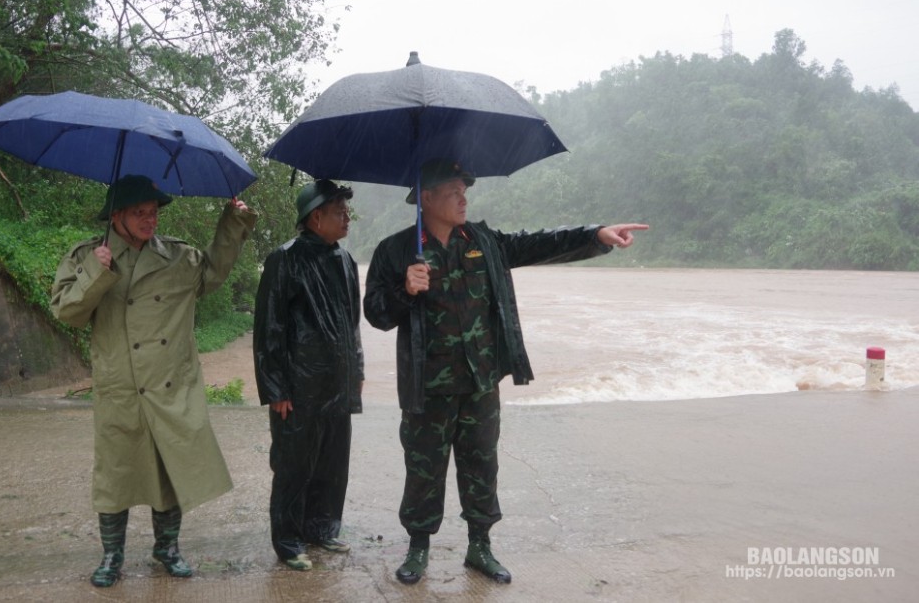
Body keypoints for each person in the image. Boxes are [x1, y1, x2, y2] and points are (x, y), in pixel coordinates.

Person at [363, 159, 648, 585]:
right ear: (425, 198)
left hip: (480, 381)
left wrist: (595, 236)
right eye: (454, 191)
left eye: (465, 190)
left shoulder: (484, 241)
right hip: (428, 387)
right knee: (424, 468)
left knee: (482, 466)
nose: (464, 197)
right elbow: (376, 315)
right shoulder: (395, 251)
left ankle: (480, 545)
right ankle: (418, 547)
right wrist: (405, 290)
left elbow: (539, 244)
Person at [50, 174, 258, 587]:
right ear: (117, 216)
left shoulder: (178, 257)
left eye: (154, 212)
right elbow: (66, 313)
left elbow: (214, 273)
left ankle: (167, 549)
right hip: (121, 387)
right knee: (116, 473)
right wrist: (96, 271)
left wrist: (233, 222)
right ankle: (112, 556)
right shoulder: (88, 256)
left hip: (169, 384)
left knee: (169, 468)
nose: (151, 220)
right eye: (140, 213)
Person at [253, 179, 364, 571]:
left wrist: (358, 370)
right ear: (315, 217)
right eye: (339, 211)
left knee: (333, 462)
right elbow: (269, 329)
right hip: (298, 387)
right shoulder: (285, 259)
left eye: (346, 211)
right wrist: (276, 387)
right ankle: (288, 540)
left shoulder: (346, 261)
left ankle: (322, 529)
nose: (346, 217)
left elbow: (352, 326)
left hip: (336, 384)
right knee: (294, 464)